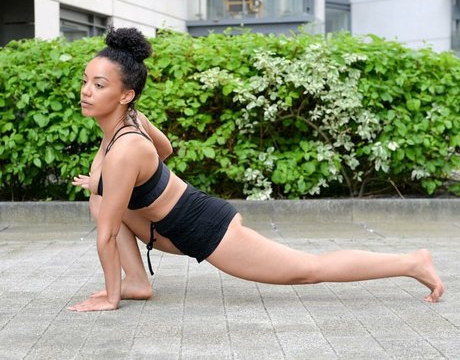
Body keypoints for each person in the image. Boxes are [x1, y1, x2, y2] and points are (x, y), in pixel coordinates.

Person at [68, 27, 444, 312]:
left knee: (307, 269)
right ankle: (136, 282)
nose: (86, 91)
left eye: (99, 85)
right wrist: (131, 183)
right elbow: (163, 151)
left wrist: (110, 298)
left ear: (126, 95)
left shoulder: (125, 148)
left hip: (207, 229)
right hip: (174, 222)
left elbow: (108, 234)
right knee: (100, 200)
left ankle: (411, 262)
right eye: (86, 81)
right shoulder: (131, 121)